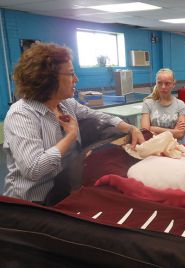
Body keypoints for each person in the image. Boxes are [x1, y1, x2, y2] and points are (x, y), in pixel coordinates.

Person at [3, 43, 145, 204]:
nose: (76, 79)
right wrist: (70, 136)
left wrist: (131, 128)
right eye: (71, 74)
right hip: (33, 203)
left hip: (64, 192)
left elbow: (99, 116)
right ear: (48, 78)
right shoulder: (22, 114)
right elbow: (34, 170)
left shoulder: (66, 104)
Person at [141, 68, 185, 140]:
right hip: (153, 147)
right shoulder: (148, 103)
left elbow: (180, 134)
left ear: (173, 84)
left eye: (167, 83)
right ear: (156, 83)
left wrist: (153, 128)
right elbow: (145, 132)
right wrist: (174, 132)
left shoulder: (180, 105)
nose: (163, 87)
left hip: (172, 147)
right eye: (159, 83)